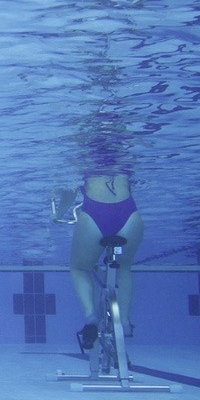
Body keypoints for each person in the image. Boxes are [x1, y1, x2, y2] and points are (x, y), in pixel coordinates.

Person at [65, 112, 143, 349]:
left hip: (94, 215)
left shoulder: (82, 150)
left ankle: (90, 317)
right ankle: (126, 321)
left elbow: (67, 191)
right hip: (130, 215)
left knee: (79, 268)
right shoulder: (126, 149)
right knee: (125, 267)